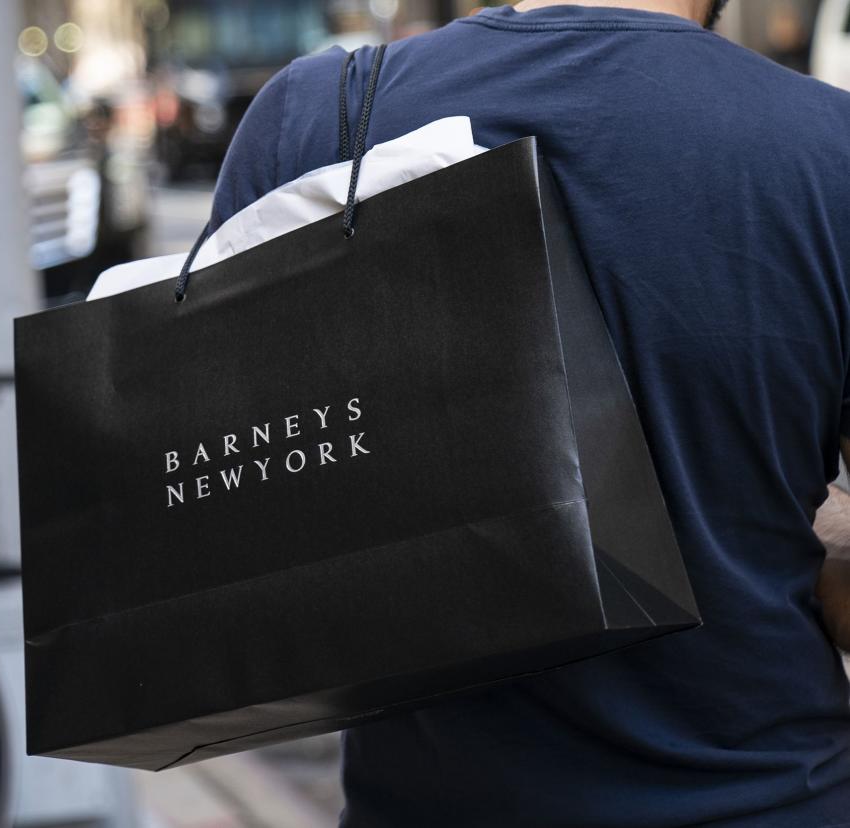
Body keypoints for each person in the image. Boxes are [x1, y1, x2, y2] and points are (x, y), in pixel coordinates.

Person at [209, 0, 850, 825]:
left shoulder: (316, 118)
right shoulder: (831, 151)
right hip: (769, 800)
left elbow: (246, 564)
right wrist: (784, 528)